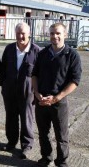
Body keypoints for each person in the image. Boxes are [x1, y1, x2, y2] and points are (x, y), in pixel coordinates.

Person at [32, 23, 82, 167]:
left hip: (59, 102)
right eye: (52, 33)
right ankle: (46, 158)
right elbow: (34, 75)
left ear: (65, 35)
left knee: (61, 136)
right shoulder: (42, 53)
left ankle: (61, 162)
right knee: (43, 133)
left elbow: (75, 80)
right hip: (41, 101)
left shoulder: (72, 55)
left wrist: (57, 97)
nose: (55, 36)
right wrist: (36, 93)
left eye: (58, 33)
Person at [0, 22, 40, 159]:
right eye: (18, 33)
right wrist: (3, 86)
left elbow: (41, 73)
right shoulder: (9, 49)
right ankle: (11, 142)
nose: (20, 36)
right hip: (9, 89)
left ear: (29, 34)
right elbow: (3, 68)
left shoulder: (36, 51)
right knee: (10, 117)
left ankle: (26, 145)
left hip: (28, 91)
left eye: (23, 33)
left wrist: (38, 92)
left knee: (26, 118)